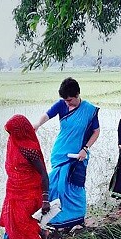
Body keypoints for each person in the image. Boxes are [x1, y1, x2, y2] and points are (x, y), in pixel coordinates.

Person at [33, 77, 100, 229]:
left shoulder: (89, 110)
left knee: (75, 187)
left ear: (77, 94)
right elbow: (47, 114)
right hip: (60, 153)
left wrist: (85, 149)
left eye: (70, 100)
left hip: (79, 156)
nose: (67, 103)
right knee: (55, 186)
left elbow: (96, 132)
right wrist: (37, 124)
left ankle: (76, 218)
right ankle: (55, 221)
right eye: (65, 100)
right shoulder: (62, 105)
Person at [0, 114, 50, 239]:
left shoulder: (29, 149)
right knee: (13, 221)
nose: (10, 136)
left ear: (20, 132)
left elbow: (43, 174)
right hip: (14, 189)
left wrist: (45, 199)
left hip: (29, 192)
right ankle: (42, 233)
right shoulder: (13, 142)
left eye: (13, 133)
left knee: (22, 222)